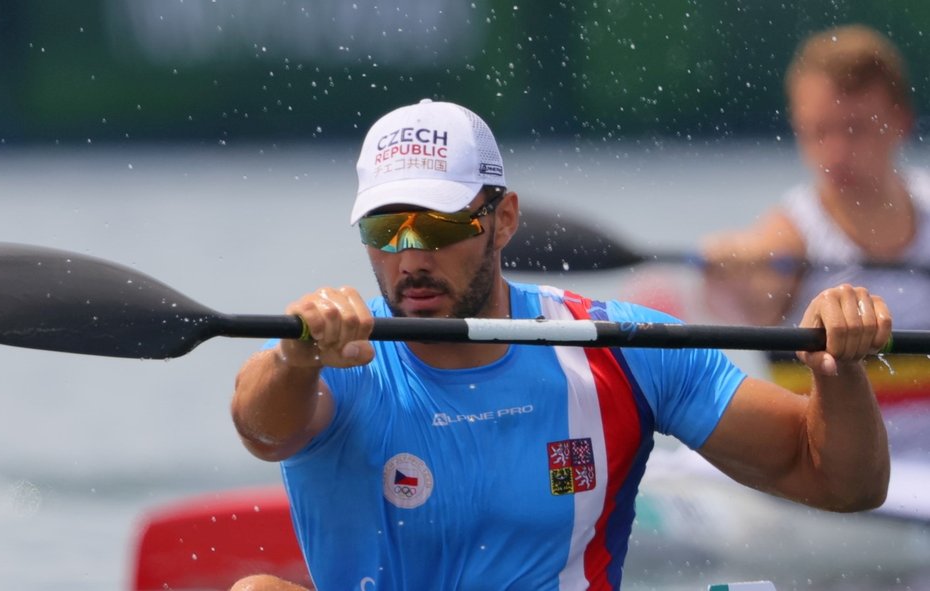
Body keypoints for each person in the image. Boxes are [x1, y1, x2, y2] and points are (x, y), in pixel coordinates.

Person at [229, 98, 892, 591]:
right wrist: (295, 355)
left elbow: (843, 482)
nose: (410, 256)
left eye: (435, 225)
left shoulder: (618, 347)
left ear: (503, 220)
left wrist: (838, 372)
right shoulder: (332, 359)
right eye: (385, 228)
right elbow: (261, 427)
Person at [701, 24, 930, 454]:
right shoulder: (790, 235)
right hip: (841, 474)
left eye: (855, 128)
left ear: (901, 121)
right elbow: (753, 300)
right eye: (819, 131)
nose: (835, 152)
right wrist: (730, 271)